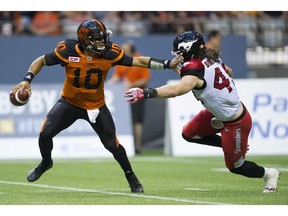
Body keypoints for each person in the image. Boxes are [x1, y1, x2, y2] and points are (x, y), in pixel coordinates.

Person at [11, 19, 179, 193]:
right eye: (97, 38)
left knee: (113, 146)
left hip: (95, 106)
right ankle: (46, 162)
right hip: (69, 103)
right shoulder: (67, 51)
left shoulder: (110, 54)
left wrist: (167, 64)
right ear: (85, 39)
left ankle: (131, 176)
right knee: (45, 134)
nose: (102, 42)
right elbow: (41, 61)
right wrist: (27, 80)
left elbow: (140, 62)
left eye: (102, 37)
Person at [125, 31, 280, 193]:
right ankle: (227, 143)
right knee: (189, 133)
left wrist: (145, 93)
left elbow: (179, 89)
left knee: (236, 166)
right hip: (219, 114)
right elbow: (229, 71)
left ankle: (269, 174)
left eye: (180, 52)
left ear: (189, 49)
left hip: (236, 121)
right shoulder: (210, 57)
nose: (178, 56)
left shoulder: (194, 67)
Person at [110, 41, 150, 154]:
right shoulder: (121, 60)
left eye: (125, 49)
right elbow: (116, 76)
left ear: (131, 50)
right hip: (122, 95)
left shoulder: (140, 59)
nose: (123, 51)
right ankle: (122, 144)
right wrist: (112, 82)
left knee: (137, 120)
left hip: (137, 94)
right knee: (122, 120)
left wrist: (132, 85)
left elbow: (145, 80)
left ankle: (137, 146)